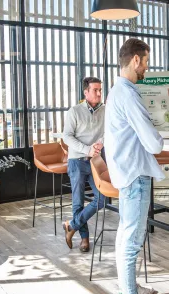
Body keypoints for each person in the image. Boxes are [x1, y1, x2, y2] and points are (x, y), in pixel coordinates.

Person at [104, 38, 163, 294]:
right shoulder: (128, 93)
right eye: (146, 62)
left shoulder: (117, 91)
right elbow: (154, 144)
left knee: (125, 235)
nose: (146, 69)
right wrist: (155, 133)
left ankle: (127, 288)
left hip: (126, 172)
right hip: (135, 175)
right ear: (136, 60)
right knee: (132, 238)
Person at [62, 77, 106, 253]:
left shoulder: (105, 110)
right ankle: (84, 239)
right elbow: (67, 136)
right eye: (95, 90)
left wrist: (100, 143)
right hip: (77, 161)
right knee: (78, 202)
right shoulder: (74, 111)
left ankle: (71, 225)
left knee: (101, 199)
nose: (99, 93)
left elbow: (108, 131)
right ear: (85, 92)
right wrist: (86, 149)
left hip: (96, 162)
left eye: (100, 90)